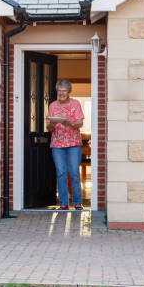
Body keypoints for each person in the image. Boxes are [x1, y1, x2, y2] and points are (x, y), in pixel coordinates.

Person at [45, 80, 85, 210]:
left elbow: (80, 123)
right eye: (59, 90)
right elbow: (49, 127)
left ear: (68, 92)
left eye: (64, 90)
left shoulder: (76, 104)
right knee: (61, 172)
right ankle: (63, 203)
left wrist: (71, 124)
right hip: (57, 144)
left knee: (73, 172)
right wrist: (52, 124)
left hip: (74, 143)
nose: (61, 93)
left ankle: (77, 202)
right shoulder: (52, 106)